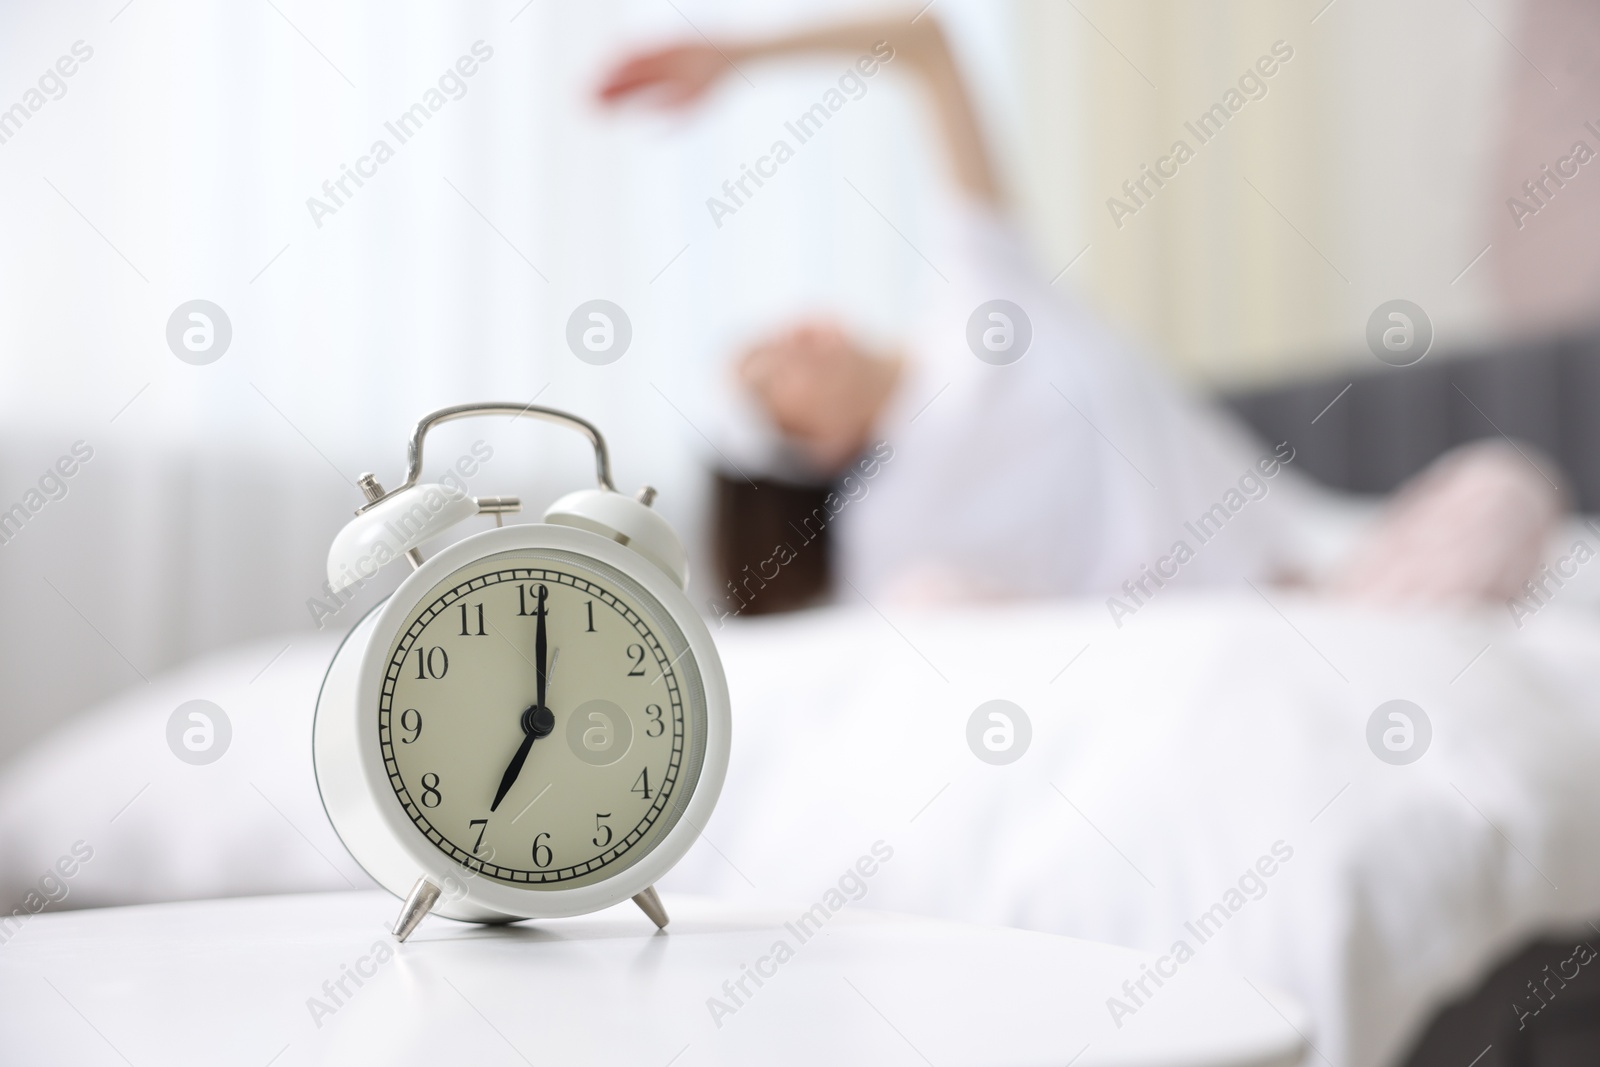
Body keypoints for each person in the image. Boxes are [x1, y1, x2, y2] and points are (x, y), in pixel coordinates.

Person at [598, 15, 1564, 613]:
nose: (796, 333)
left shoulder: (981, 295)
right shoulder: (889, 530)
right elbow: (910, 624)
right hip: (1217, 634)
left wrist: (736, 54)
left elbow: (926, 42)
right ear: (815, 445)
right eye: (775, 375)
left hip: (1320, 569)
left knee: (1507, 485)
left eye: (773, 335)